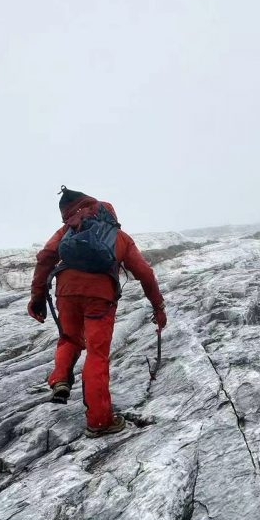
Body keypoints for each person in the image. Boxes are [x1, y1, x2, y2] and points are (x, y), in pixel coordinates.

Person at [28, 187, 166, 436]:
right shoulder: (118, 236)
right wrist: (158, 307)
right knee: (97, 354)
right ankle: (99, 421)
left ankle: (60, 379)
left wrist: (37, 298)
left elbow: (45, 258)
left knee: (69, 338)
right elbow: (145, 273)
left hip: (67, 292)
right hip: (100, 298)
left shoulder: (66, 231)